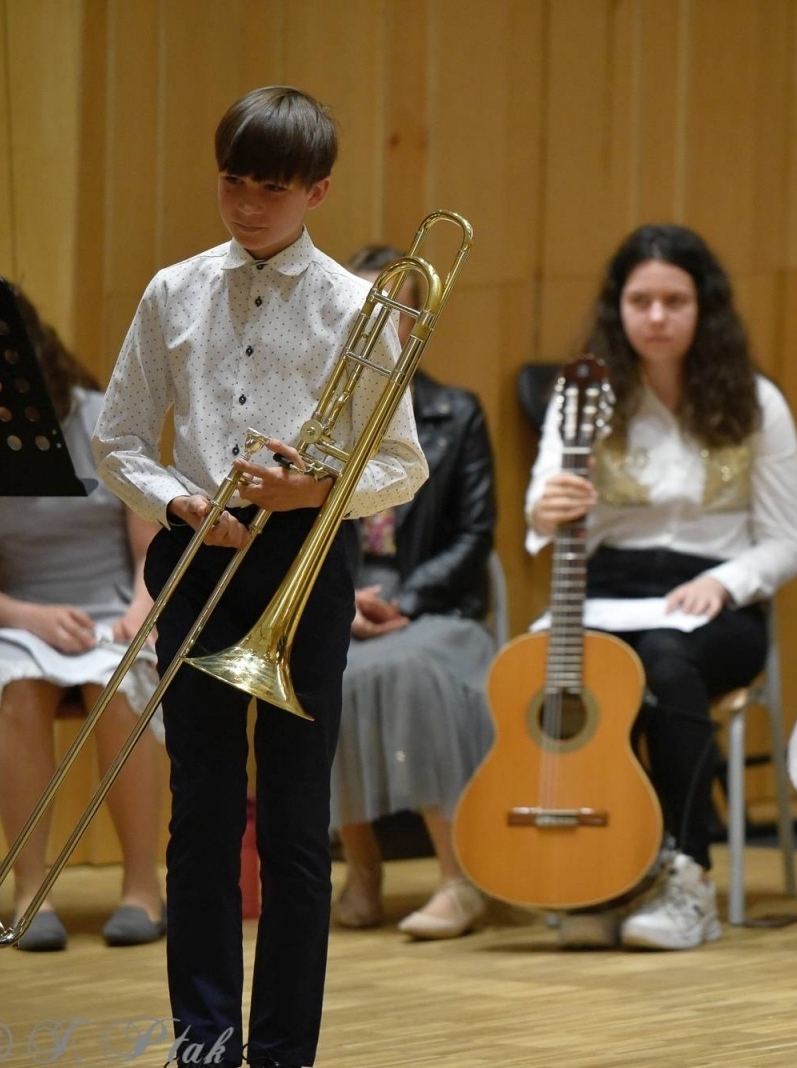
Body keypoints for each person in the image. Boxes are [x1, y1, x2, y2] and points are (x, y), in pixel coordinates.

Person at [93, 87, 426, 1068]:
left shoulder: (357, 308)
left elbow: (401, 464)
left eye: (272, 188)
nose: (246, 205)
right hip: (198, 553)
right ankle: (204, 1037)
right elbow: (117, 442)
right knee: (199, 819)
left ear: (317, 191)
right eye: (234, 181)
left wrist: (312, 490)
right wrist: (181, 502)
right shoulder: (173, 291)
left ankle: (282, 1051)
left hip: (304, 563)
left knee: (291, 827)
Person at [526, 223, 797, 951]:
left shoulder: (756, 402)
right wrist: (547, 511)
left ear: (703, 307)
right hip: (604, 585)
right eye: (640, 300)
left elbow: (786, 542)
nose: (656, 317)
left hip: (715, 597)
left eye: (674, 301)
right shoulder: (585, 393)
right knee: (553, 674)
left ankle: (686, 877)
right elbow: (540, 516)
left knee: (666, 662)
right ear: (617, 308)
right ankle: (600, 870)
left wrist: (726, 582)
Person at [0, 287, 166, 952]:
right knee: (17, 688)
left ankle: (141, 885)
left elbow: (149, 560)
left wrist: (138, 615)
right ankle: (30, 887)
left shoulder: (105, 420)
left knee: (122, 687)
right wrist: (33, 618)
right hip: (19, 614)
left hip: (113, 610)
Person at [328, 244, 496, 940]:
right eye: (362, 309)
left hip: (435, 612)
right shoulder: (325, 417)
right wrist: (344, 603)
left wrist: (407, 601)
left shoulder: (457, 413)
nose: (378, 324)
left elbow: (474, 537)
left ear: (417, 323)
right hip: (340, 607)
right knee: (321, 674)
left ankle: (459, 881)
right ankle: (362, 873)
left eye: (394, 312)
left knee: (410, 670)